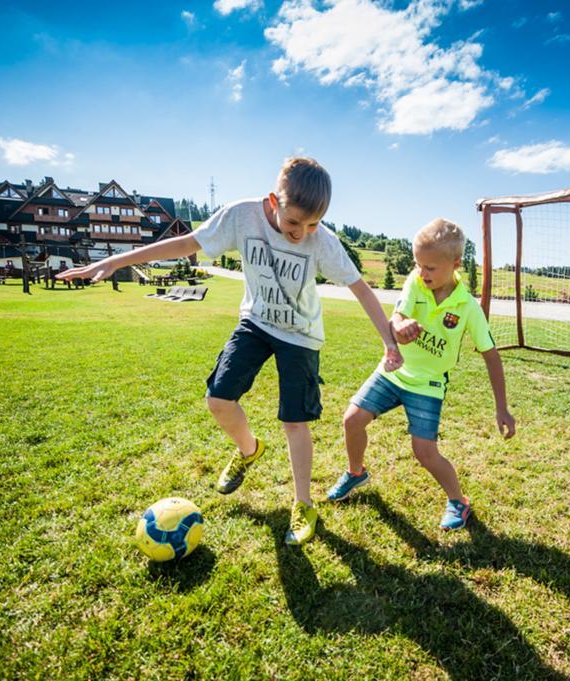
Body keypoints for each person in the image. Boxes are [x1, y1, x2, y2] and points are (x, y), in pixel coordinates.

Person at [57, 157, 402, 545]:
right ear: (273, 202)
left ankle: (303, 503)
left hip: (301, 335)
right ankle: (248, 450)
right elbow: (186, 243)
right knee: (219, 400)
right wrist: (116, 259)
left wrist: (388, 340)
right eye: (293, 223)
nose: (301, 233)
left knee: (294, 421)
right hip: (255, 322)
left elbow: (359, 287)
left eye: (312, 225)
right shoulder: (242, 216)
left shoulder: (322, 240)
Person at [325, 218, 516, 531]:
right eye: (418, 265)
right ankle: (356, 472)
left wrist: (501, 407)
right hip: (393, 372)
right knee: (352, 419)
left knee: (424, 452)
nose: (422, 273)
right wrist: (399, 327)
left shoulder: (468, 307)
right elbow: (397, 316)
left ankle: (458, 501)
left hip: (427, 385)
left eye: (430, 267)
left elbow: (492, 357)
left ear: (455, 264)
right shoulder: (415, 281)